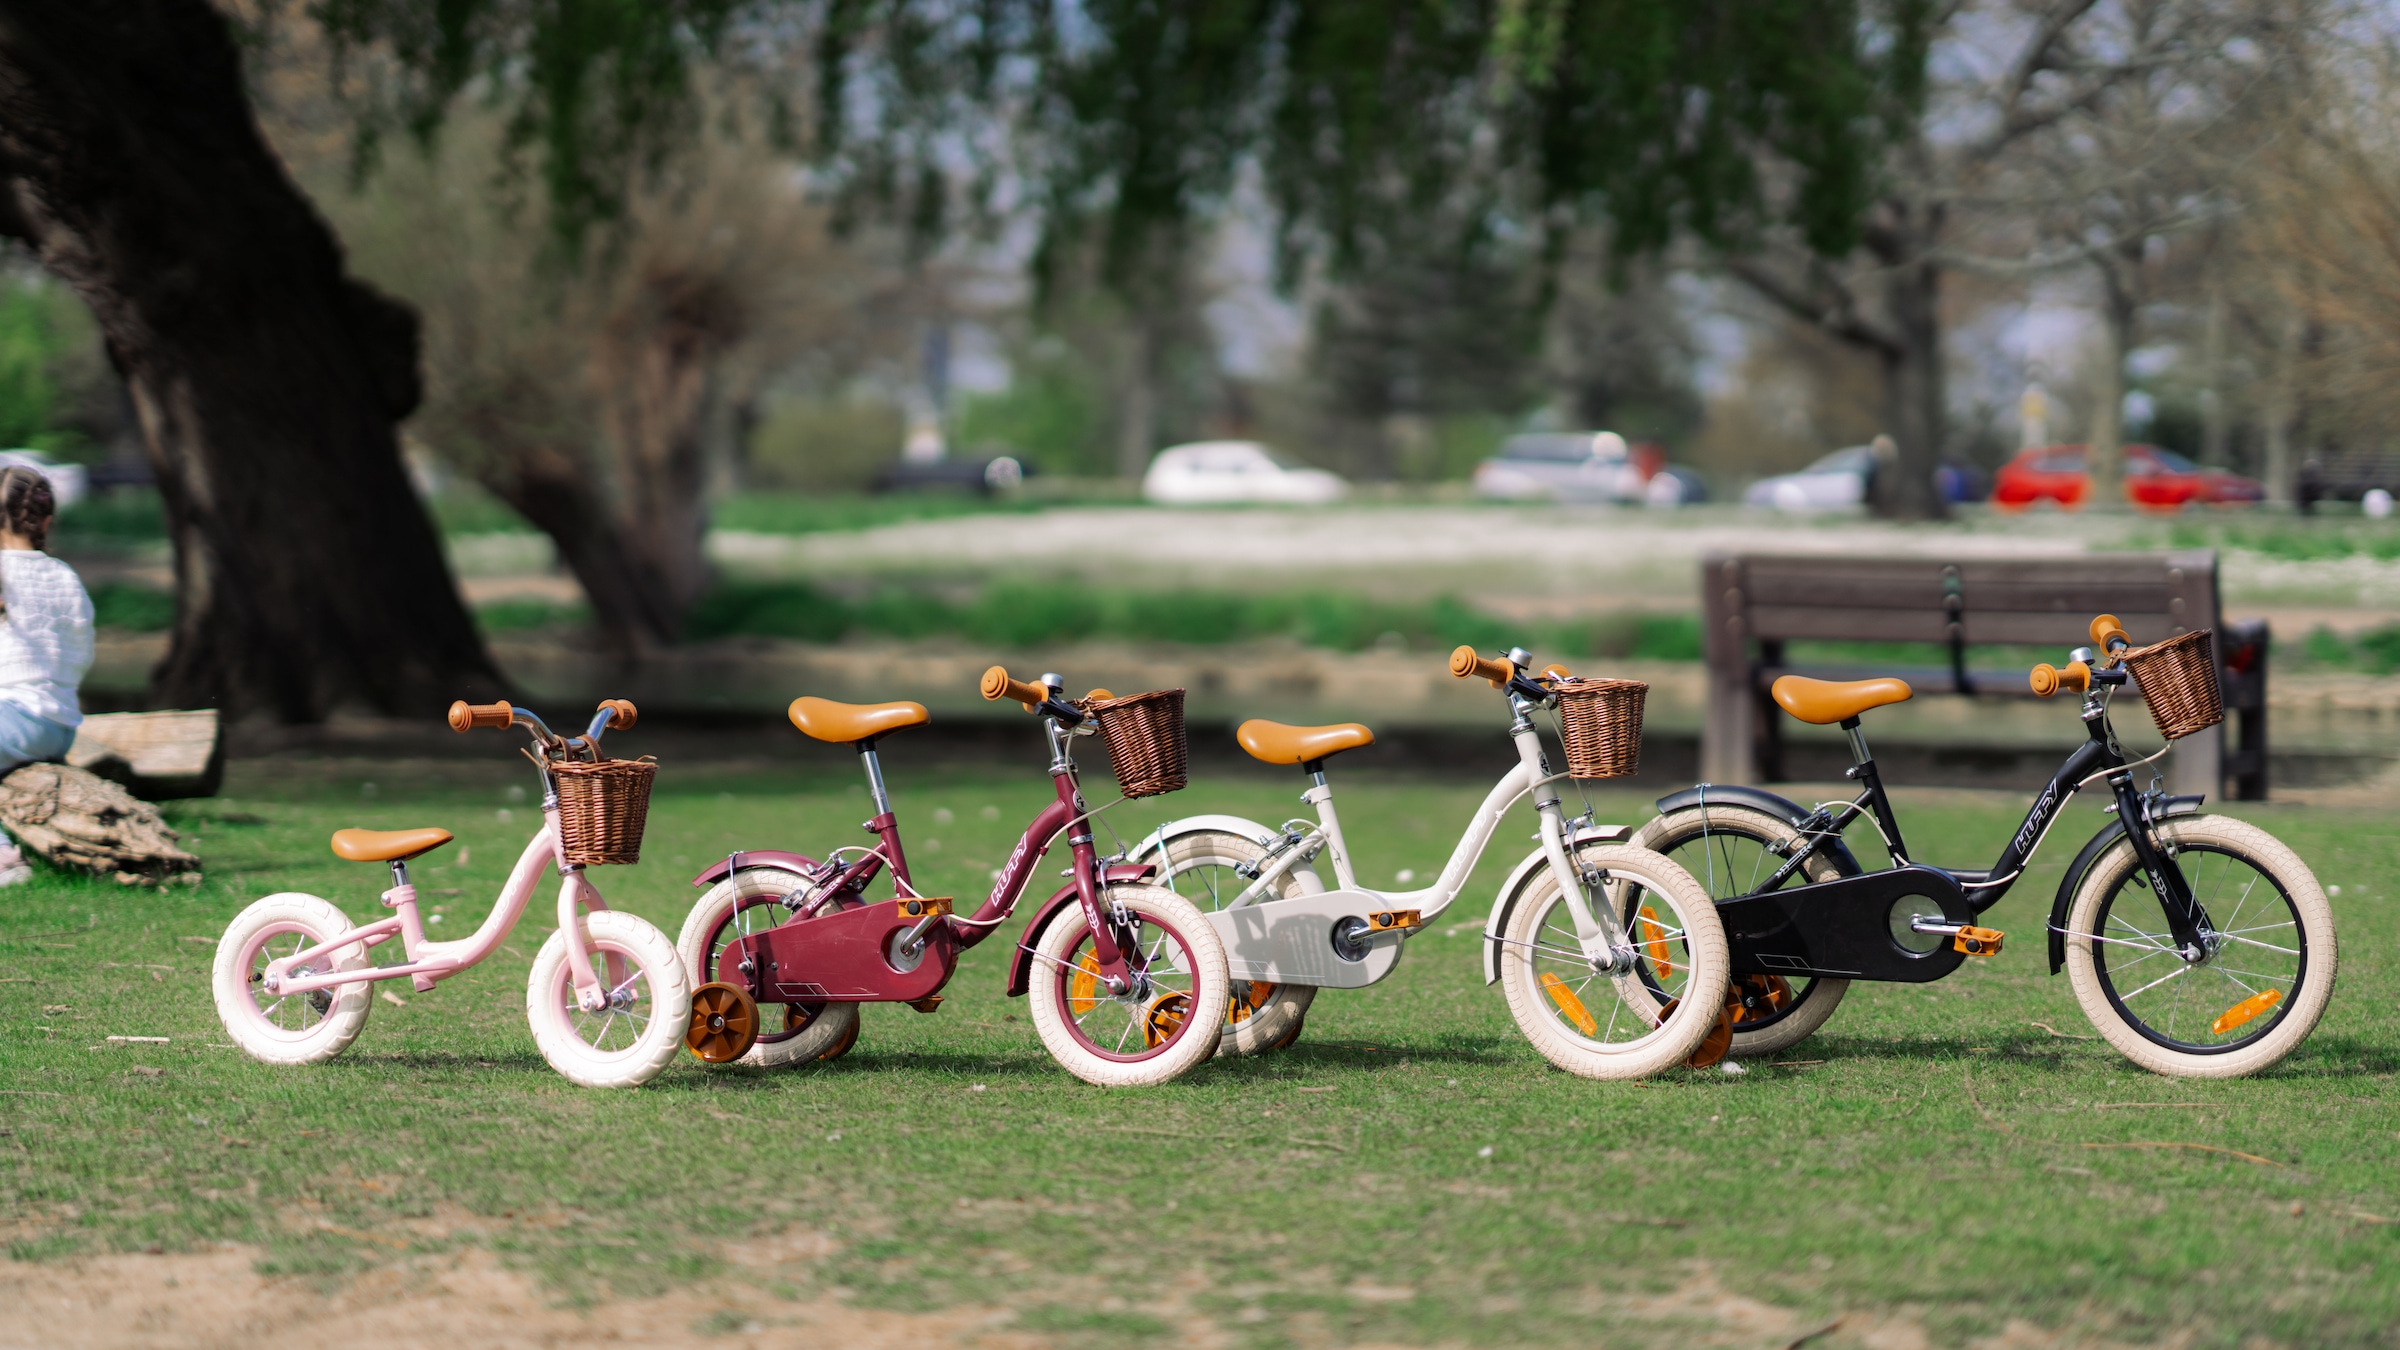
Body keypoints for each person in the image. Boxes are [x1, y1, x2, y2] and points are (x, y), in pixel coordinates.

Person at [0, 466, 93, 885]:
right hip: (60, 725)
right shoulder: (64, 576)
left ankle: (4, 859)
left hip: (15, 718)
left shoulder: (4, 573)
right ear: (46, 520)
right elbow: (80, 655)